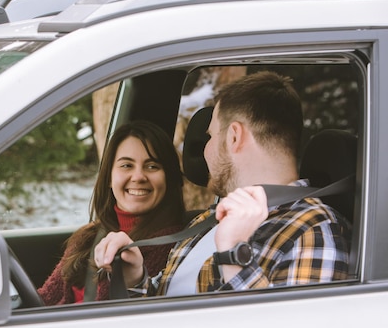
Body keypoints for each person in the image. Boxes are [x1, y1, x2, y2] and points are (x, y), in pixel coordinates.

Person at [94, 71, 351, 297]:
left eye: (210, 136)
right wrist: (136, 278)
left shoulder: (314, 230)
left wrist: (234, 257)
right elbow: (169, 304)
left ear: (234, 136)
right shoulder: (206, 221)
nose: (204, 151)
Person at [37, 120, 186, 304]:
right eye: (126, 165)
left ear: (169, 178)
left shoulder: (176, 249)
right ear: (109, 177)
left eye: (152, 166)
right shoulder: (87, 236)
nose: (138, 177)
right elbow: (44, 301)